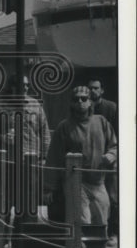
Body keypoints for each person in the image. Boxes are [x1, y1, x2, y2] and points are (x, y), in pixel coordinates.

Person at [43, 85, 117, 227]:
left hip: (98, 182)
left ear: (90, 102)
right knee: (82, 223)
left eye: (84, 99)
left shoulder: (101, 122)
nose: (80, 102)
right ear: (71, 103)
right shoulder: (64, 127)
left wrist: (111, 155)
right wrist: (48, 188)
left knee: (101, 223)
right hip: (75, 182)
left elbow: (114, 145)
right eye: (76, 99)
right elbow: (53, 158)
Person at [88, 79, 118, 246]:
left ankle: (113, 232)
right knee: (95, 196)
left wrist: (113, 154)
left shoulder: (111, 108)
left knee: (112, 196)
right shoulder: (85, 107)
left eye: (96, 88)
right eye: (90, 88)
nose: (93, 91)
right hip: (93, 160)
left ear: (102, 90)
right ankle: (98, 231)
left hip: (110, 157)